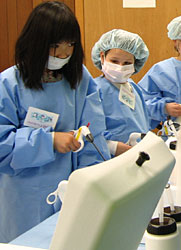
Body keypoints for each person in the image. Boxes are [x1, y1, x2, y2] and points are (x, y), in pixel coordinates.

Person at [0, 1, 110, 243]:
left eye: (70, 45)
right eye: (54, 46)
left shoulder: (80, 81)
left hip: (71, 192)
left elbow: (94, 137)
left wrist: (93, 186)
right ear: (35, 44)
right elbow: (2, 145)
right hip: (23, 199)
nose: (63, 54)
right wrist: (48, 141)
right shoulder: (8, 84)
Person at [91, 29, 150, 156]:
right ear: (102, 57)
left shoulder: (133, 87)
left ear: (136, 63)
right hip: (109, 159)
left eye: (127, 63)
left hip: (137, 155)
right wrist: (112, 147)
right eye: (114, 61)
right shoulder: (94, 90)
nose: (120, 67)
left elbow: (143, 122)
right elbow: (90, 133)